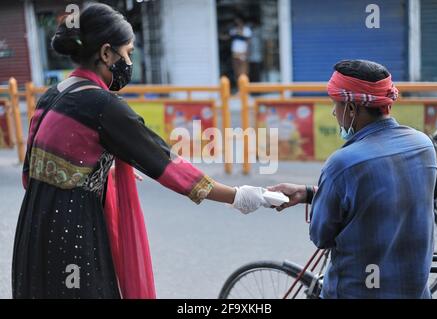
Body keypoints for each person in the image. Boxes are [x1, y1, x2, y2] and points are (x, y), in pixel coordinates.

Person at [12, 3, 269, 299]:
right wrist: (240, 196)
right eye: (129, 53)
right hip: (73, 230)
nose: (130, 61)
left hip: (33, 226)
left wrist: (96, 168)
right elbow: (167, 165)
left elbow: (35, 166)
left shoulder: (52, 94)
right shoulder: (103, 107)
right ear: (107, 53)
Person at [268, 60, 437, 299]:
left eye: (335, 104)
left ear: (350, 108)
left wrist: (322, 196)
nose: (333, 112)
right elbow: (381, 199)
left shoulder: (343, 164)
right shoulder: (423, 145)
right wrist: (309, 193)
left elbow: (321, 235)